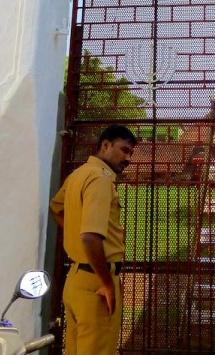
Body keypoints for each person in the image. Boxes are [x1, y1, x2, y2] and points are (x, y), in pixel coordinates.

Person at [49, 124, 137, 355]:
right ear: (105, 145)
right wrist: (107, 284)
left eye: (130, 153)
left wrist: (77, 231)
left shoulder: (79, 174)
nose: (128, 158)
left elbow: (56, 208)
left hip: (76, 281)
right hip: (98, 283)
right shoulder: (100, 179)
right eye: (124, 150)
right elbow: (90, 237)